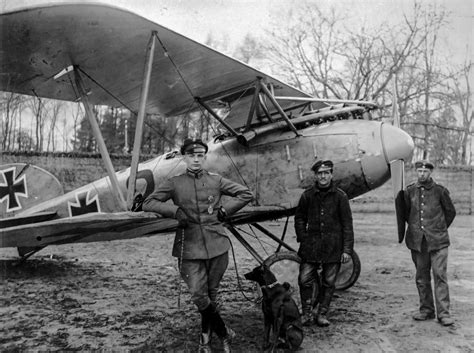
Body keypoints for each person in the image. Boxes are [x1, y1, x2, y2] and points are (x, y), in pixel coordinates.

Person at [142, 138, 253, 352]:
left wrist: (226, 210)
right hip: (189, 247)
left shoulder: (215, 180)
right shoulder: (175, 182)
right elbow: (148, 202)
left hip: (217, 246)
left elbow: (245, 194)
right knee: (198, 295)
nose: (196, 159)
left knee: (212, 295)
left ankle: (204, 341)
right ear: (184, 157)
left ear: (204, 157)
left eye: (200, 155)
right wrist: (175, 211)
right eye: (191, 155)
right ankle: (224, 332)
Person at [294, 160, 354, 327]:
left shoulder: (340, 197)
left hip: (333, 247)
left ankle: (322, 314)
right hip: (311, 247)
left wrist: (347, 249)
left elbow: (347, 225)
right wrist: (303, 238)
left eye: (326, 173)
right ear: (316, 175)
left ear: (331, 175)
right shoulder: (307, 195)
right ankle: (306, 313)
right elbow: (299, 218)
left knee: (329, 282)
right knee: (304, 279)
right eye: (320, 173)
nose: (323, 176)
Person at [401, 160, 456, 326]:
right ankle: (426, 310)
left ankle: (444, 314)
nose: (422, 174)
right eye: (419, 171)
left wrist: (438, 229)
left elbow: (450, 212)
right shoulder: (409, 191)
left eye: (425, 171)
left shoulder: (440, 191)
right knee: (421, 277)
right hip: (418, 242)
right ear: (416, 172)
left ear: (430, 172)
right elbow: (404, 213)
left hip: (438, 242)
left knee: (440, 276)